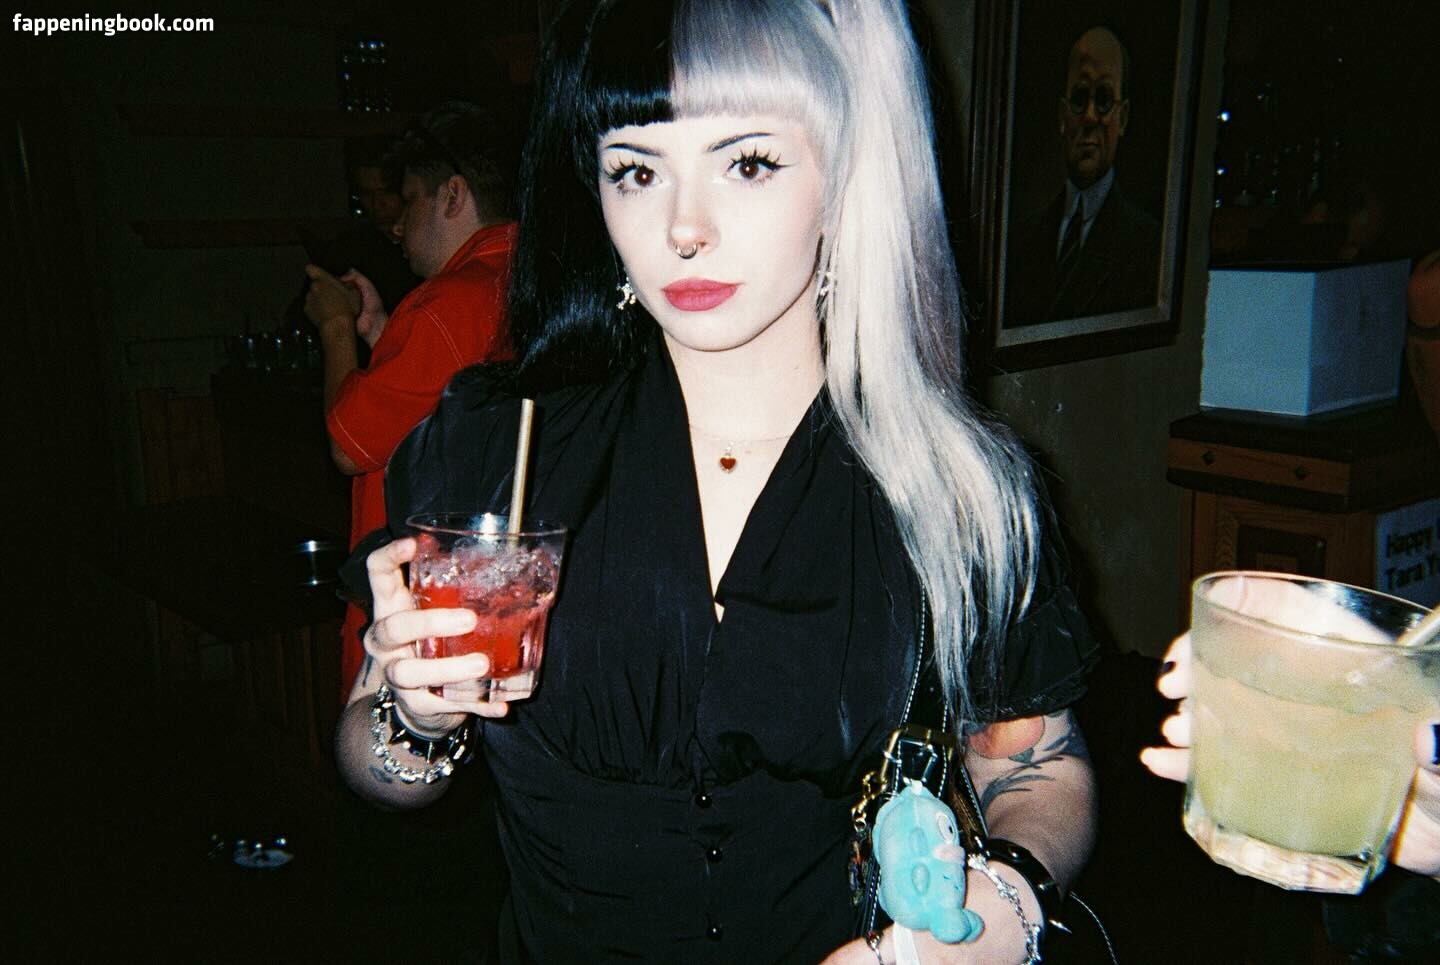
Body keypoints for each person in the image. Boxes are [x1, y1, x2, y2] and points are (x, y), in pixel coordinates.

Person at [334, 2, 1099, 962]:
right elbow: (370, 756)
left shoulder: (956, 488)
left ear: (850, 173)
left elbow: (1039, 767)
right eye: (636, 170)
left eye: (748, 163)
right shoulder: (498, 442)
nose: (682, 228)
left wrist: (999, 912)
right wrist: (415, 717)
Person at [305, 100, 518, 698]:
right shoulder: (527, 280)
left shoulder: (447, 301)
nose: (398, 226)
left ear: (452, 195)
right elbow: (446, 403)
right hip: (494, 584)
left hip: (420, 595)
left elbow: (349, 445)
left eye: (410, 200)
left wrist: (336, 328)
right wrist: (380, 331)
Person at [1005, 26, 1160, 325]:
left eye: (1103, 99)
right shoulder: (1019, 243)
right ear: (1062, 116)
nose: (1090, 117)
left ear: (1122, 118)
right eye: (1079, 98)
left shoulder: (1149, 249)